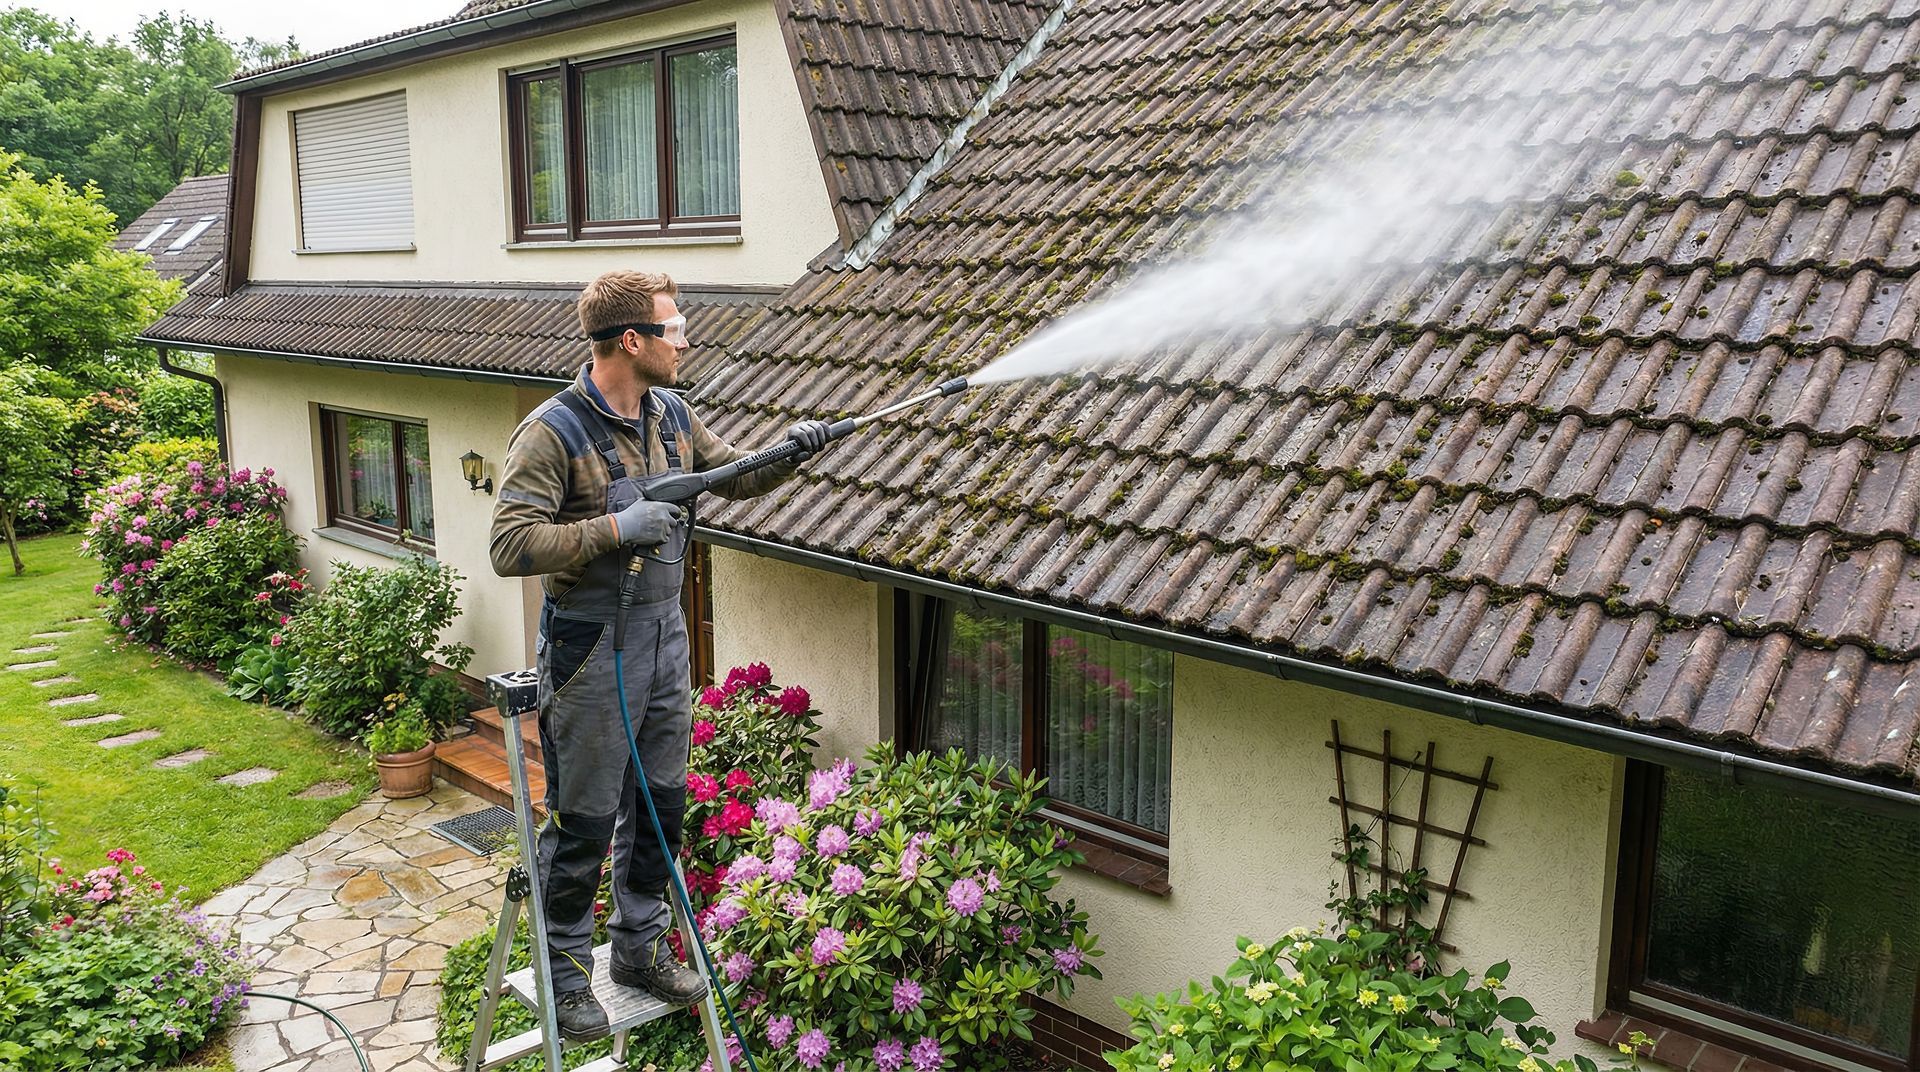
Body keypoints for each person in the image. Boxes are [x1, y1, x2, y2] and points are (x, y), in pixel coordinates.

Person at [490, 269, 829, 1039]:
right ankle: (567, 974)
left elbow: (732, 475)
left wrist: (794, 451)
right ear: (632, 340)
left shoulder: (671, 412)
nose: (686, 339)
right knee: (582, 821)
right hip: (590, 644)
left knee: (658, 804)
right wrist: (614, 530)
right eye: (675, 328)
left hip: (664, 635)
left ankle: (637, 949)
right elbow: (510, 544)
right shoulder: (553, 432)